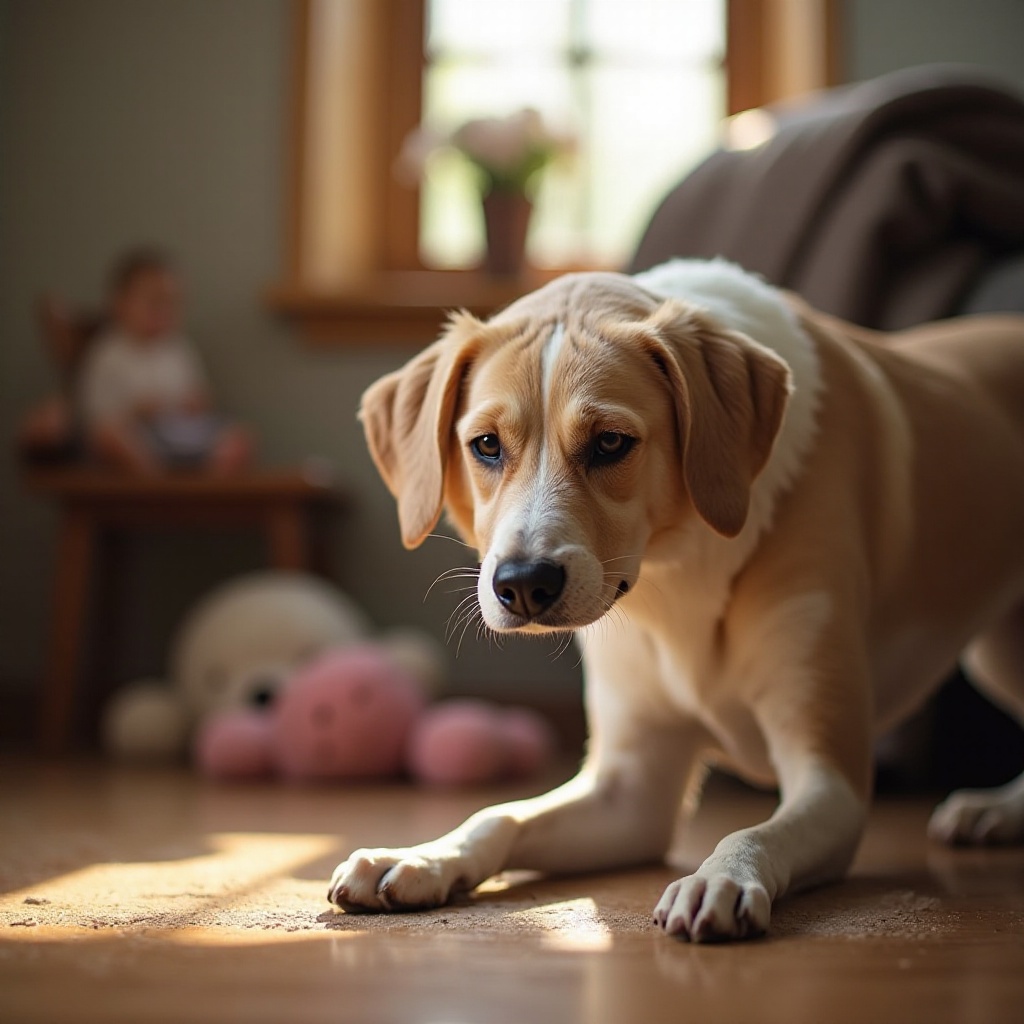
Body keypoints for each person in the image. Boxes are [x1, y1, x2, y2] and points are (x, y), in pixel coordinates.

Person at [78, 248, 253, 475]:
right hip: (140, 439)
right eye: (154, 302)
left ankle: (205, 500)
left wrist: (196, 404)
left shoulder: (179, 349)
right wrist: (137, 412)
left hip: (181, 436)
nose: (164, 312)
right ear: (119, 303)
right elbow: (95, 420)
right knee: (109, 439)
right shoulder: (108, 353)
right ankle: (156, 492)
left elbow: (200, 399)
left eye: (172, 303)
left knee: (240, 439)